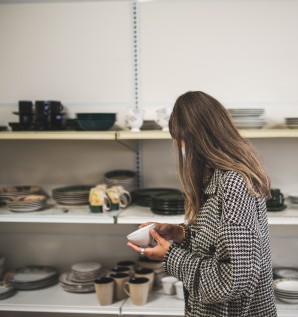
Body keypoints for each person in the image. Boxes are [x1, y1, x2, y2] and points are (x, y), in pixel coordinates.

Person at [127, 91, 277, 317]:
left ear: (197, 137)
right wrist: (178, 233)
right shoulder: (218, 176)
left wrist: (170, 256)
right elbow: (218, 244)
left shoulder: (232, 183)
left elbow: (234, 278)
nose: (182, 148)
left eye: (182, 140)